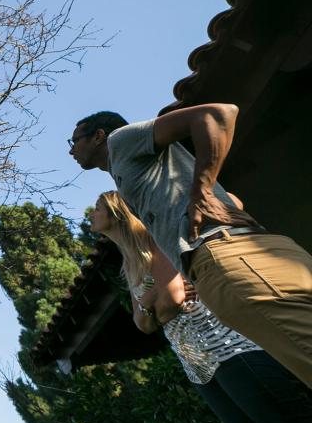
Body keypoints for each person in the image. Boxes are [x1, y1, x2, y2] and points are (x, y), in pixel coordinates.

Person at [68, 104, 312, 387]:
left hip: (224, 256)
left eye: (74, 141)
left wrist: (203, 189)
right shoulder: (132, 168)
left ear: (98, 136)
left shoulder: (120, 140)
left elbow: (218, 114)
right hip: (247, 252)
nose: (71, 151)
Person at [91, 191, 312, 423]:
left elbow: (173, 299)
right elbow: (142, 324)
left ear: (117, 212)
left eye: (97, 208)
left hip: (229, 349)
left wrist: (152, 306)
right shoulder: (130, 263)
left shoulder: (155, 241)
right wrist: (150, 303)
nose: (92, 215)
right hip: (197, 367)